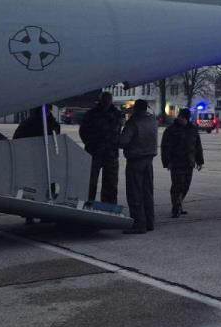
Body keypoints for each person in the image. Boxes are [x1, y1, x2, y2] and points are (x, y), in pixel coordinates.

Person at [119, 99, 159, 234]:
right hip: (149, 160)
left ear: (135, 108)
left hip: (136, 160)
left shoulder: (134, 122)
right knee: (147, 192)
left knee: (134, 193)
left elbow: (123, 141)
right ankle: (149, 222)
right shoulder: (152, 120)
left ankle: (138, 224)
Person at [79, 92, 123, 204]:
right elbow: (83, 131)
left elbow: (119, 132)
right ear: (101, 100)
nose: (107, 102)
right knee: (90, 183)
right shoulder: (92, 114)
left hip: (110, 154)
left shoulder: (117, 114)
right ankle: (88, 206)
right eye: (105, 100)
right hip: (94, 153)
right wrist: (90, 143)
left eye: (108, 99)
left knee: (110, 184)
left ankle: (108, 207)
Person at [161, 107, 204, 218]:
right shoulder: (171, 129)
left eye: (184, 118)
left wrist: (199, 161)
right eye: (181, 117)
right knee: (176, 186)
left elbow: (197, 146)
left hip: (189, 162)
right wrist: (167, 162)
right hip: (176, 162)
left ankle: (179, 204)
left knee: (186, 186)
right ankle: (176, 208)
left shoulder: (192, 129)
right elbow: (165, 147)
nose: (182, 120)